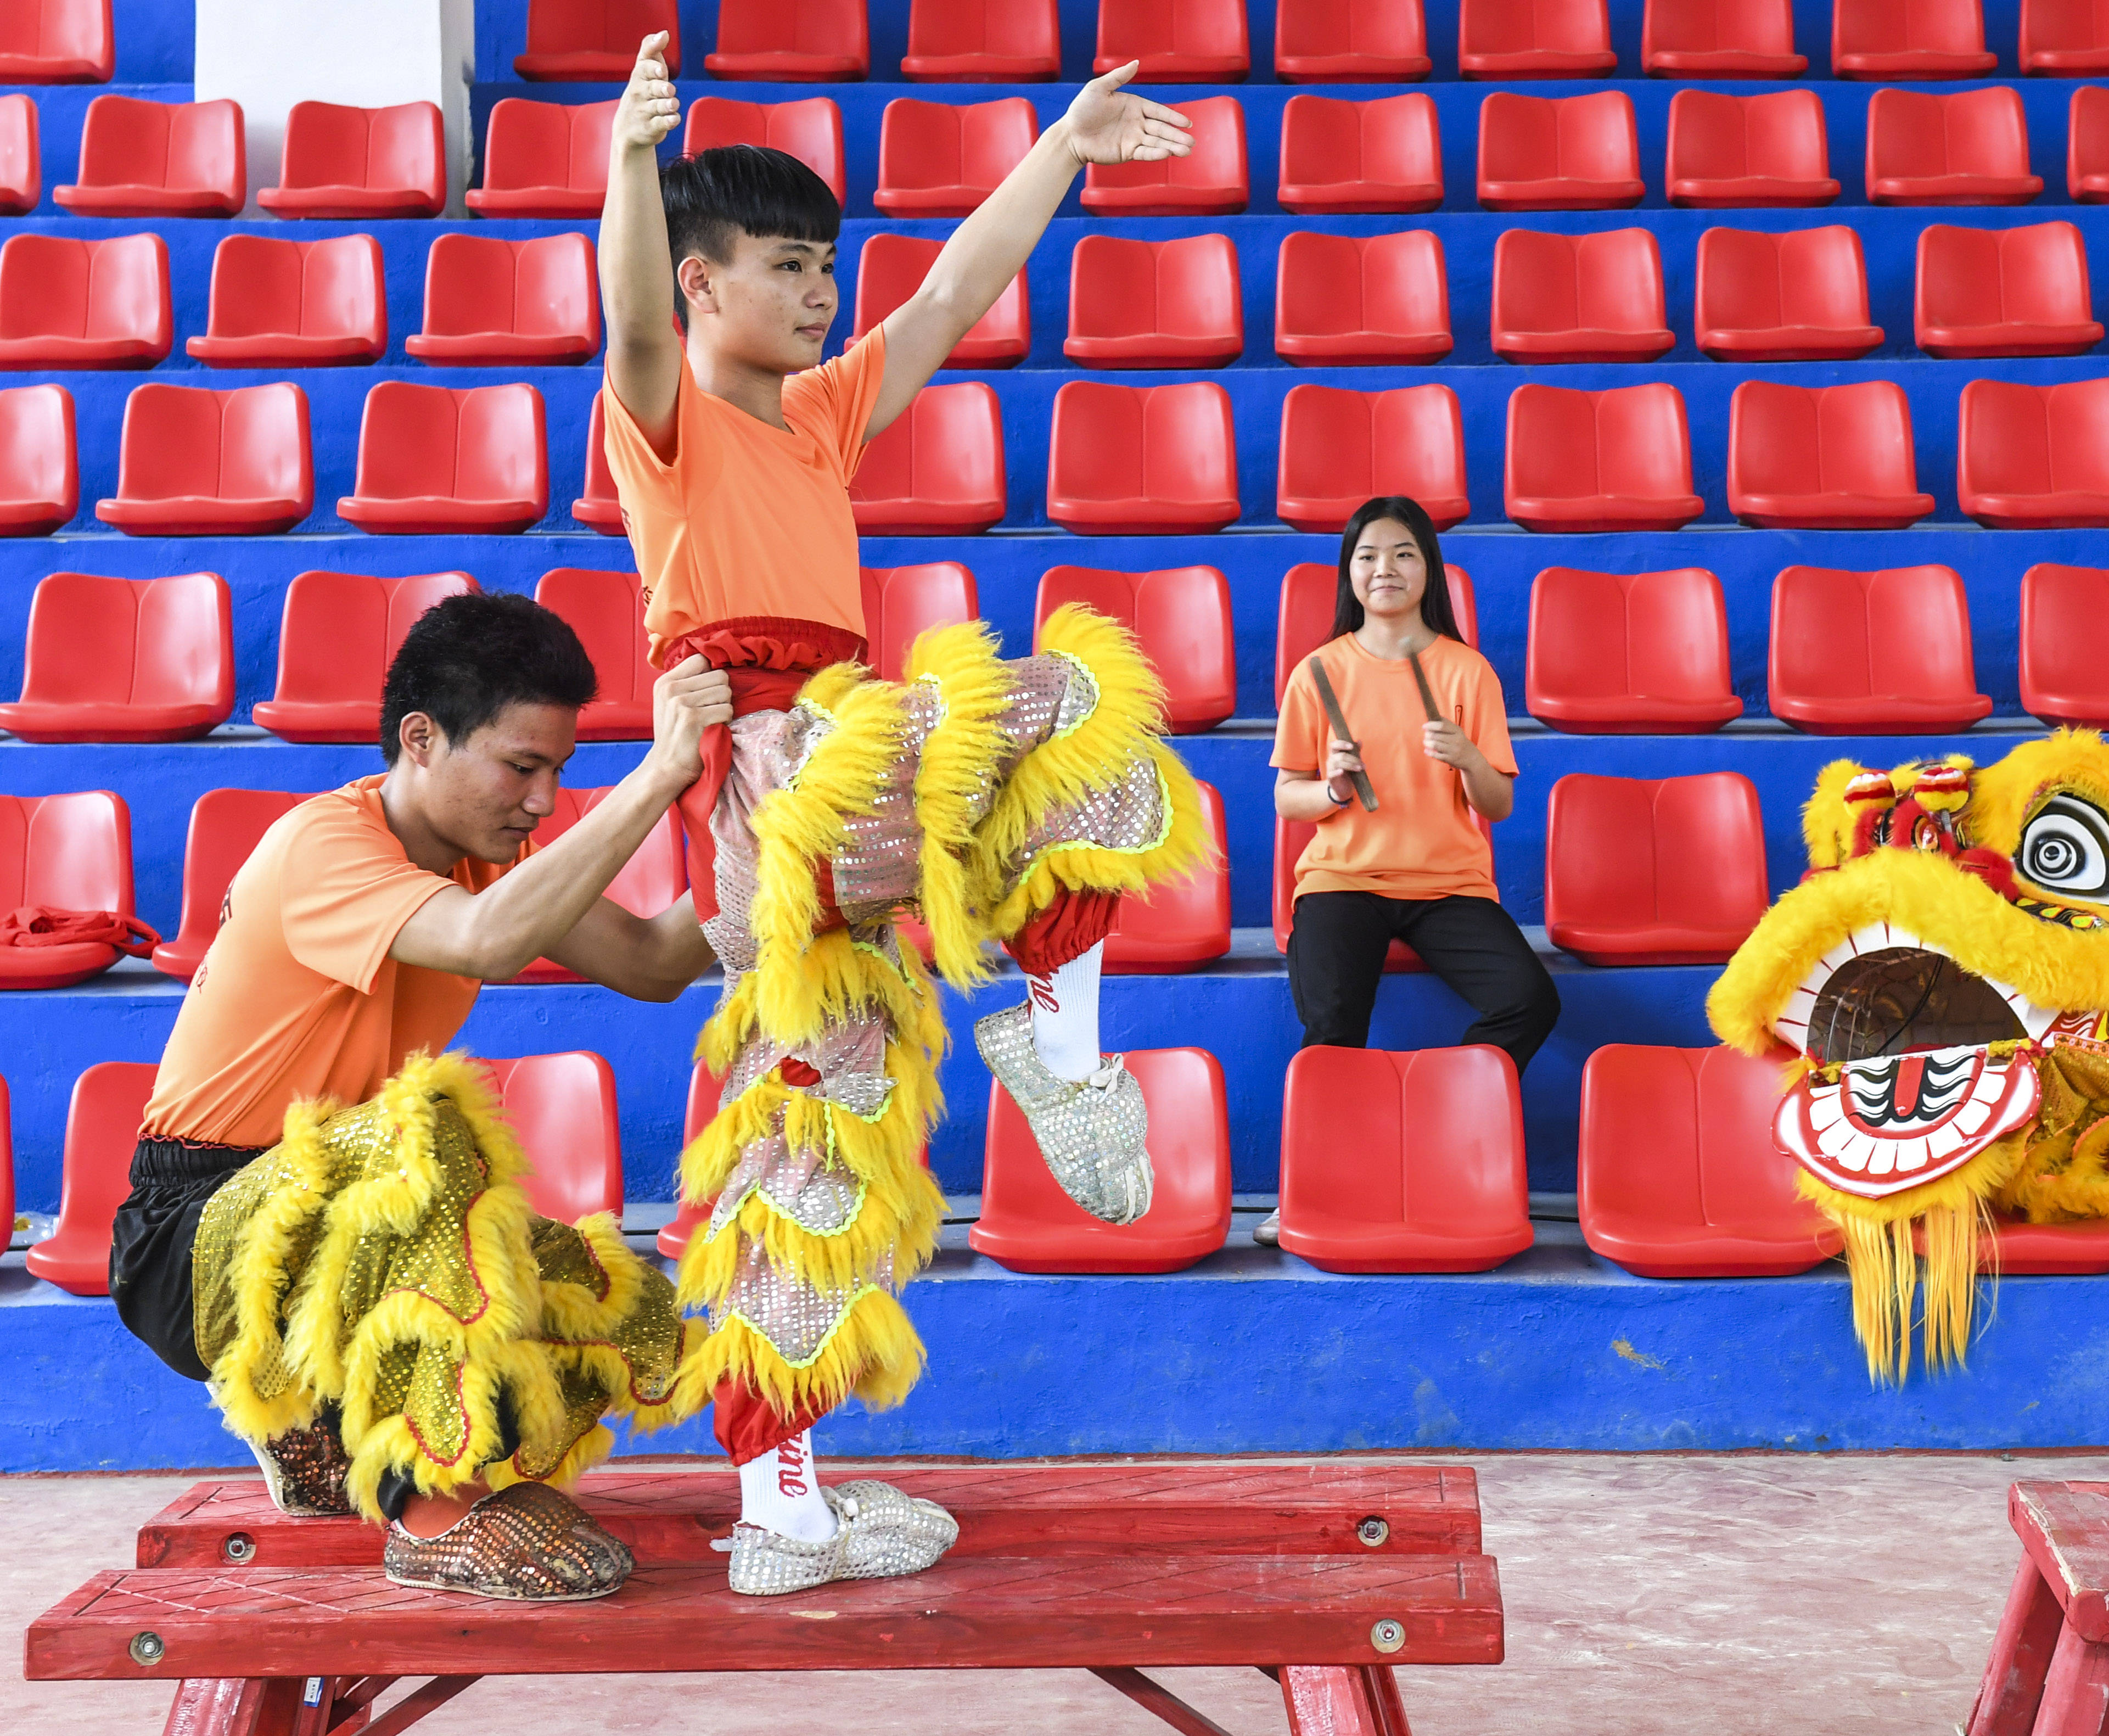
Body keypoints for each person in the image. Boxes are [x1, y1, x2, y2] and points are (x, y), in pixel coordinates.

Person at [595, 35, 1207, 1594]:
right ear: (703, 283)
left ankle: (782, 1510)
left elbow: (948, 297)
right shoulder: (666, 425)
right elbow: (623, 317)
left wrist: (1062, 147)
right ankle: (1057, 1047)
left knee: (822, 1154)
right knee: (1063, 696)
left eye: (826, 266)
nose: (820, 293)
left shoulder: (821, 417)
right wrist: (627, 166)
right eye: (789, 267)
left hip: (855, 795)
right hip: (770, 783)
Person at [109, 592, 733, 1601]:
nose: (541, 800)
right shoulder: (325, 845)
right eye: (521, 766)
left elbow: (657, 962)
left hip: (328, 1195)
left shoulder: (487, 861)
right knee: (430, 1138)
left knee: (553, 1273)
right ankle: (429, 1517)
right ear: (420, 737)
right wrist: (664, 770)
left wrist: (793, 862)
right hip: (190, 1235)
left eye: (560, 771)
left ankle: (320, 1438)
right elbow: (485, 939)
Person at [1265, 499, 1562, 1240]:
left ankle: (1439, 1121)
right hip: (1343, 880)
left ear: (1428, 569)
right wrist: (1331, 785)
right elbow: (1286, 796)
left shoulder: (1468, 673)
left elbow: (1497, 802)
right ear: (1350, 572)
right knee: (1332, 1024)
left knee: (1531, 998)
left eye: (1402, 554)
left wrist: (1467, 758)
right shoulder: (1320, 673)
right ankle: (1310, 1190)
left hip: (1447, 885)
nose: (1385, 569)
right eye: (1368, 556)